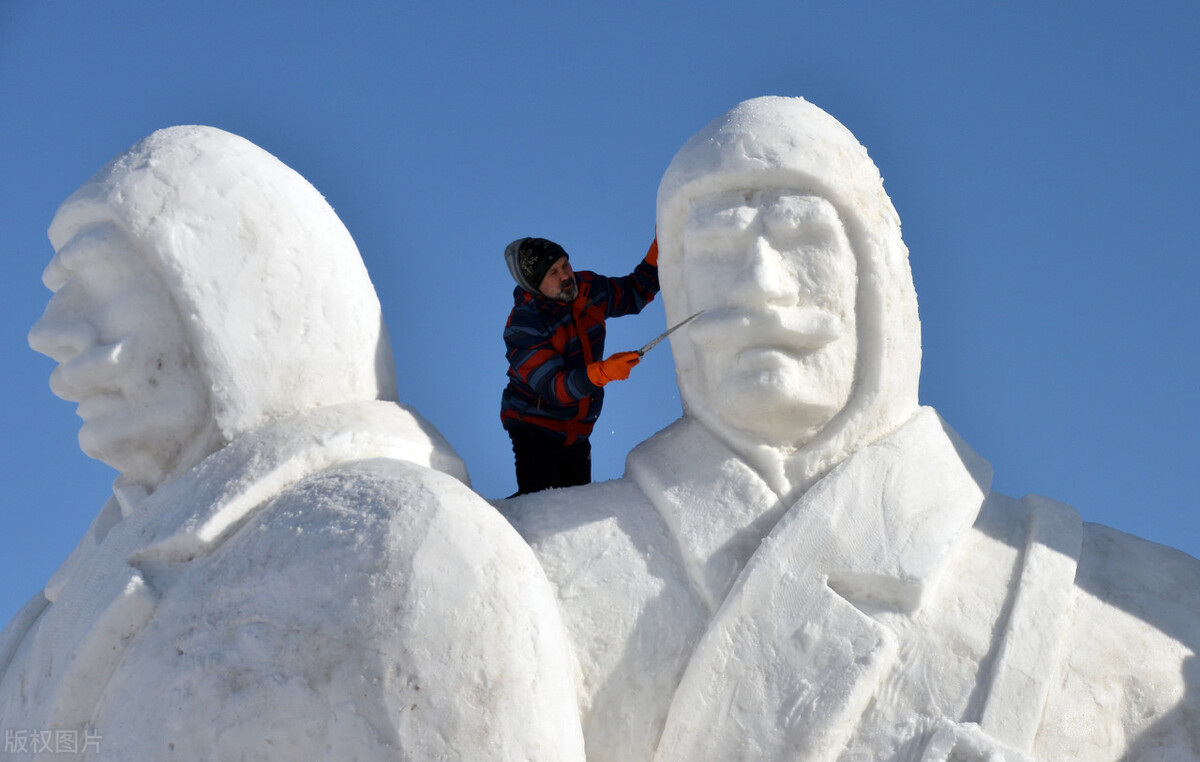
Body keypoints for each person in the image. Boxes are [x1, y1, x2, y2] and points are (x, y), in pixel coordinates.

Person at [501, 97, 1200, 761]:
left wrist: (657, 261)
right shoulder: (520, 569)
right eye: (714, 251)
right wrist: (592, 378)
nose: (760, 286)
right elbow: (540, 378)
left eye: (802, 237)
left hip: (576, 420)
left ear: (877, 273)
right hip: (544, 419)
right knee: (546, 486)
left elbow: (629, 291)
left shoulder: (1150, 606)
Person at [0, 126, 586, 760]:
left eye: (102, 280)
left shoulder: (399, 544)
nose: (48, 333)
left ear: (228, 302)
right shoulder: (42, 622)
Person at [501, 235, 660, 495]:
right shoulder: (525, 325)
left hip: (579, 430)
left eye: (565, 264)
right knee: (542, 510)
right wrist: (603, 372)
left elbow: (633, 293)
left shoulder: (588, 288)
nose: (566, 275)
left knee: (576, 509)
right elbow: (553, 387)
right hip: (535, 427)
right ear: (535, 285)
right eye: (553, 272)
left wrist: (659, 253)